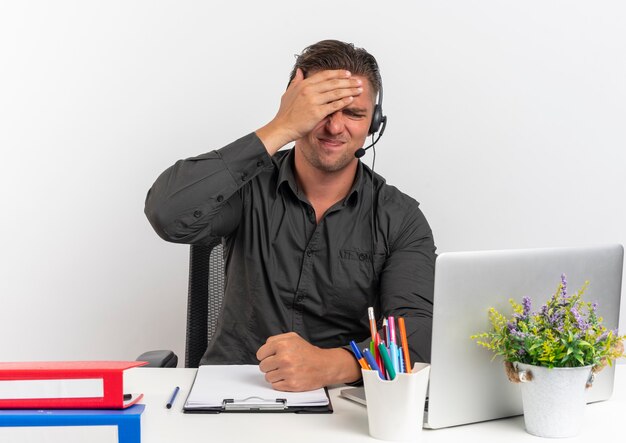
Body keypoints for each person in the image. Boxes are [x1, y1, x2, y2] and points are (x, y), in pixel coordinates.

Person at [145, 39, 436, 392]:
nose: (334, 127)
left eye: (354, 114)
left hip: (342, 398)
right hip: (231, 389)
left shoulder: (400, 219)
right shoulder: (247, 186)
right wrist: (280, 127)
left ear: (374, 122)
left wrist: (333, 364)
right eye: (322, 110)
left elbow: (418, 334)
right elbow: (167, 214)